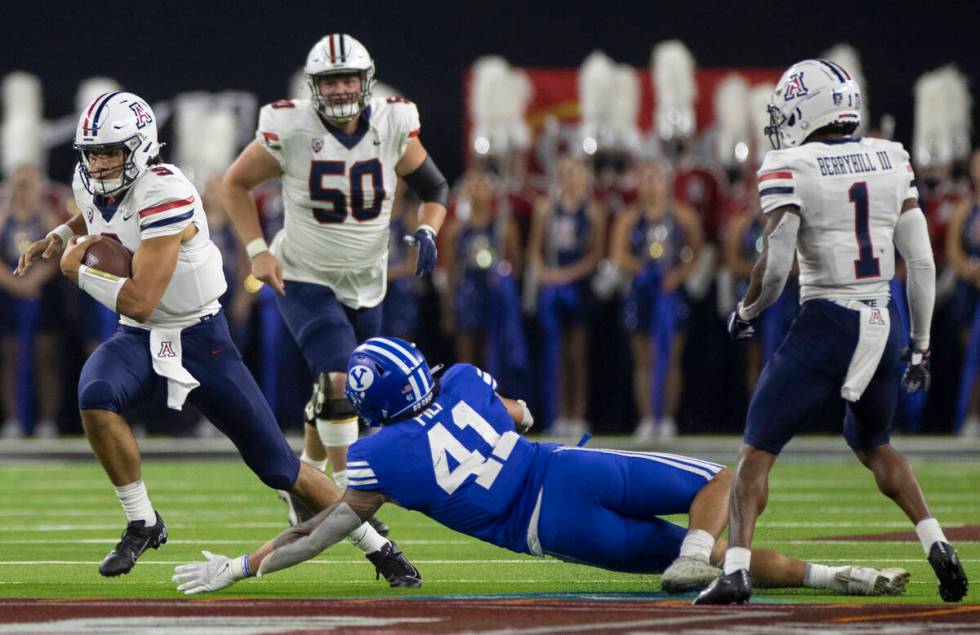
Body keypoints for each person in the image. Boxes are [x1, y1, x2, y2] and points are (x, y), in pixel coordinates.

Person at [14, 92, 420, 587]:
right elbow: (96, 215)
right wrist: (60, 234)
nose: (98, 165)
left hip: (199, 336)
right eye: (92, 153)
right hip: (140, 336)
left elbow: (141, 298)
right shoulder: (91, 179)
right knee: (95, 394)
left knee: (278, 466)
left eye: (110, 152)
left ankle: (380, 548)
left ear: (140, 149)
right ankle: (143, 521)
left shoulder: (167, 193)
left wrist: (77, 271)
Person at [171, 336, 910, 598]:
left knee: (718, 556)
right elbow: (522, 413)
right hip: (565, 470)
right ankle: (836, 575)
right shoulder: (460, 378)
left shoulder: (376, 457)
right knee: (721, 482)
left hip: (551, 527)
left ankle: (785, 571)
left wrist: (243, 565)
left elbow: (320, 533)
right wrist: (509, 417)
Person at [697, 60, 969, 604]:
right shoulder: (891, 156)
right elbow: (919, 263)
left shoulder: (790, 163)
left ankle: (736, 571)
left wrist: (747, 313)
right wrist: (919, 346)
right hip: (882, 320)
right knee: (876, 445)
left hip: (826, 323)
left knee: (757, 451)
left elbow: (775, 265)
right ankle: (936, 540)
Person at [220, 33, 448, 529]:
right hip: (304, 275)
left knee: (344, 392)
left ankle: (308, 478)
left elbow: (433, 186)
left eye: (348, 78)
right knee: (343, 380)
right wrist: (257, 250)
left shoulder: (391, 123)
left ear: (365, 81)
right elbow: (233, 183)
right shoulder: (291, 126)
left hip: (369, 280)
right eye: (330, 80)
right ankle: (346, 499)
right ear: (313, 86)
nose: (341, 89)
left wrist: (429, 227)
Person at [610, 161, 702, 439]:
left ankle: (668, 418)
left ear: (666, 183)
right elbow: (619, 252)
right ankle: (648, 416)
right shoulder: (628, 217)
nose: (650, 185)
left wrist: (678, 274)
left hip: (670, 293)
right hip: (642, 293)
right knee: (644, 360)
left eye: (656, 179)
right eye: (645, 179)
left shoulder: (682, 215)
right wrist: (640, 270)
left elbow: (697, 250)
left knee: (671, 357)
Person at [527, 156, 604, 436]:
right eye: (565, 173)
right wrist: (543, 273)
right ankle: (557, 413)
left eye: (575, 173)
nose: (569, 178)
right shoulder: (546, 208)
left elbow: (596, 253)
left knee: (577, 353)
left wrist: (569, 274)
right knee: (554, 352)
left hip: (578, 286)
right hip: (553, 287)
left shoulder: (592, 210)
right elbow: (534, 249)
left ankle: (577, 414)